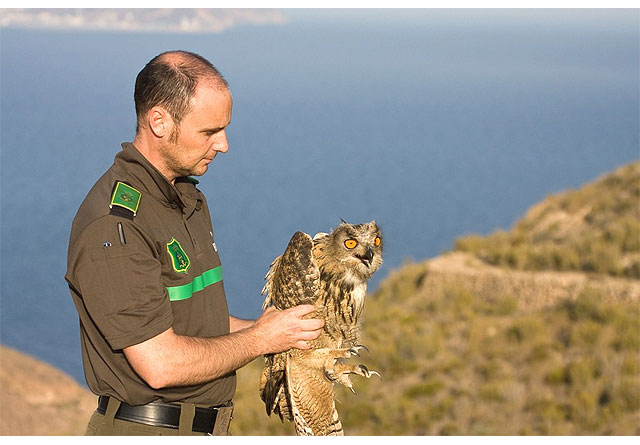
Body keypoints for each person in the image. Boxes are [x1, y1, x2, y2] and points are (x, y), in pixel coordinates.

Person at [65, 50, 324, 436]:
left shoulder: (184, 198)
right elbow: (161, 365)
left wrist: (272, 330)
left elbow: (193, 325)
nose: (224, 145)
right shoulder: (115, 226)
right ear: (159, 122)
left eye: (224, 129)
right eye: (209, 132)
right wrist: (260, 339)